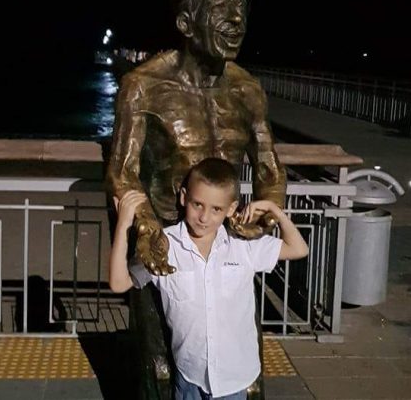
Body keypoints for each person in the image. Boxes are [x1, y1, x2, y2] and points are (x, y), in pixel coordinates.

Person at [106, 0, 287, 277]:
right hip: (164, 241)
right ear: (186, 24)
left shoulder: (247, 90)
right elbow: (122, 172)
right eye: (221, 8)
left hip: (226, 242)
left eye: (240, 8)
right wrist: (145, 223)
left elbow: (269, 168)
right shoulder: (143, 86)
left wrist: (267, 212)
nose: (237, 19)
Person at [109, 159, 308, 400]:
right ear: (184, 198)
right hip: (190, 377)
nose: (204, 217)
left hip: (235, 379)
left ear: (231, 209)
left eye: (216, 209)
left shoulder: (242, 245)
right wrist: (123, 225)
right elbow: (119, 283)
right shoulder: (164, 246)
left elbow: (298, 249)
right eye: (198, 205)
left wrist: (275, 211)